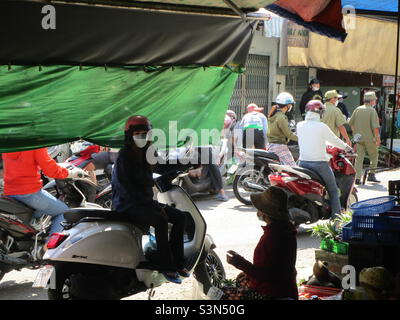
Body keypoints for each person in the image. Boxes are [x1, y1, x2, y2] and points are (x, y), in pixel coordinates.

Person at [111, 115, 189, 284]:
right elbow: (125, 188)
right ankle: (166, 266)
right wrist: (150, 206)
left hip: (145, 202)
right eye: (137, 133)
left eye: (144, 133)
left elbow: (161, 166)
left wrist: (185, 163)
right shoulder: (124, 156)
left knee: (180, 217)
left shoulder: (149, 151)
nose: (141, 136)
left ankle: (178, 262)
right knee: (160, 220)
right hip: (127, 205)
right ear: (129, 135)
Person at [224, 187, 298, 300]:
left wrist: (240, 263)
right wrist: (247, 273)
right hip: (287, 288)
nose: (257, 211)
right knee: (240, 281)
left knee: (222, 294)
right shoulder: (286, 228)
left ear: (264, 213)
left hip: (272, 294)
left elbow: (267, 276)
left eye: (259, 209)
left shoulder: (272, 236)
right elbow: (275, 267)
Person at [2, 148, 85, 236]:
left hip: (10, 191)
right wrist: (70, 173)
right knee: (64, 212)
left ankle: (35, 224)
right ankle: (49, 247)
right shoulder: (35, 143)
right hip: (29, 192)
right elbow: (50, 170)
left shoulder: (9, 141)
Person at [296, 100, 352, 219]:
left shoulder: (299, 125)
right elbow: (334, 140)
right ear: (320, 113)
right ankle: (336, 217)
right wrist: (347, 147)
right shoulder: (322, 127)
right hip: (319, 165)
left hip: (302, 163)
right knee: (333, 189)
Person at [349, 91, 381, 184]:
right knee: (374, 155)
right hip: (370, 138)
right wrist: (377, 138)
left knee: (359, 158)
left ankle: (357, 178)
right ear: (371, 101)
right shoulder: (372, 110)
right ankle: (371, 174)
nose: (375, 101)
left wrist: (355, 135)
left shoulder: (358, 109)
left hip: (359, 138)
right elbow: (375, 127)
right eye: (374, 100)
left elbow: (351, 124)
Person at [266, 92, 298, 166]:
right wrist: (300, 138)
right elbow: (288, 134)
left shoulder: (273, 115)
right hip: (279, 147)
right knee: (293, 168)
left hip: (271, 145)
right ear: (288, 105)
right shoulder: (282, 117)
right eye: (291, 104)